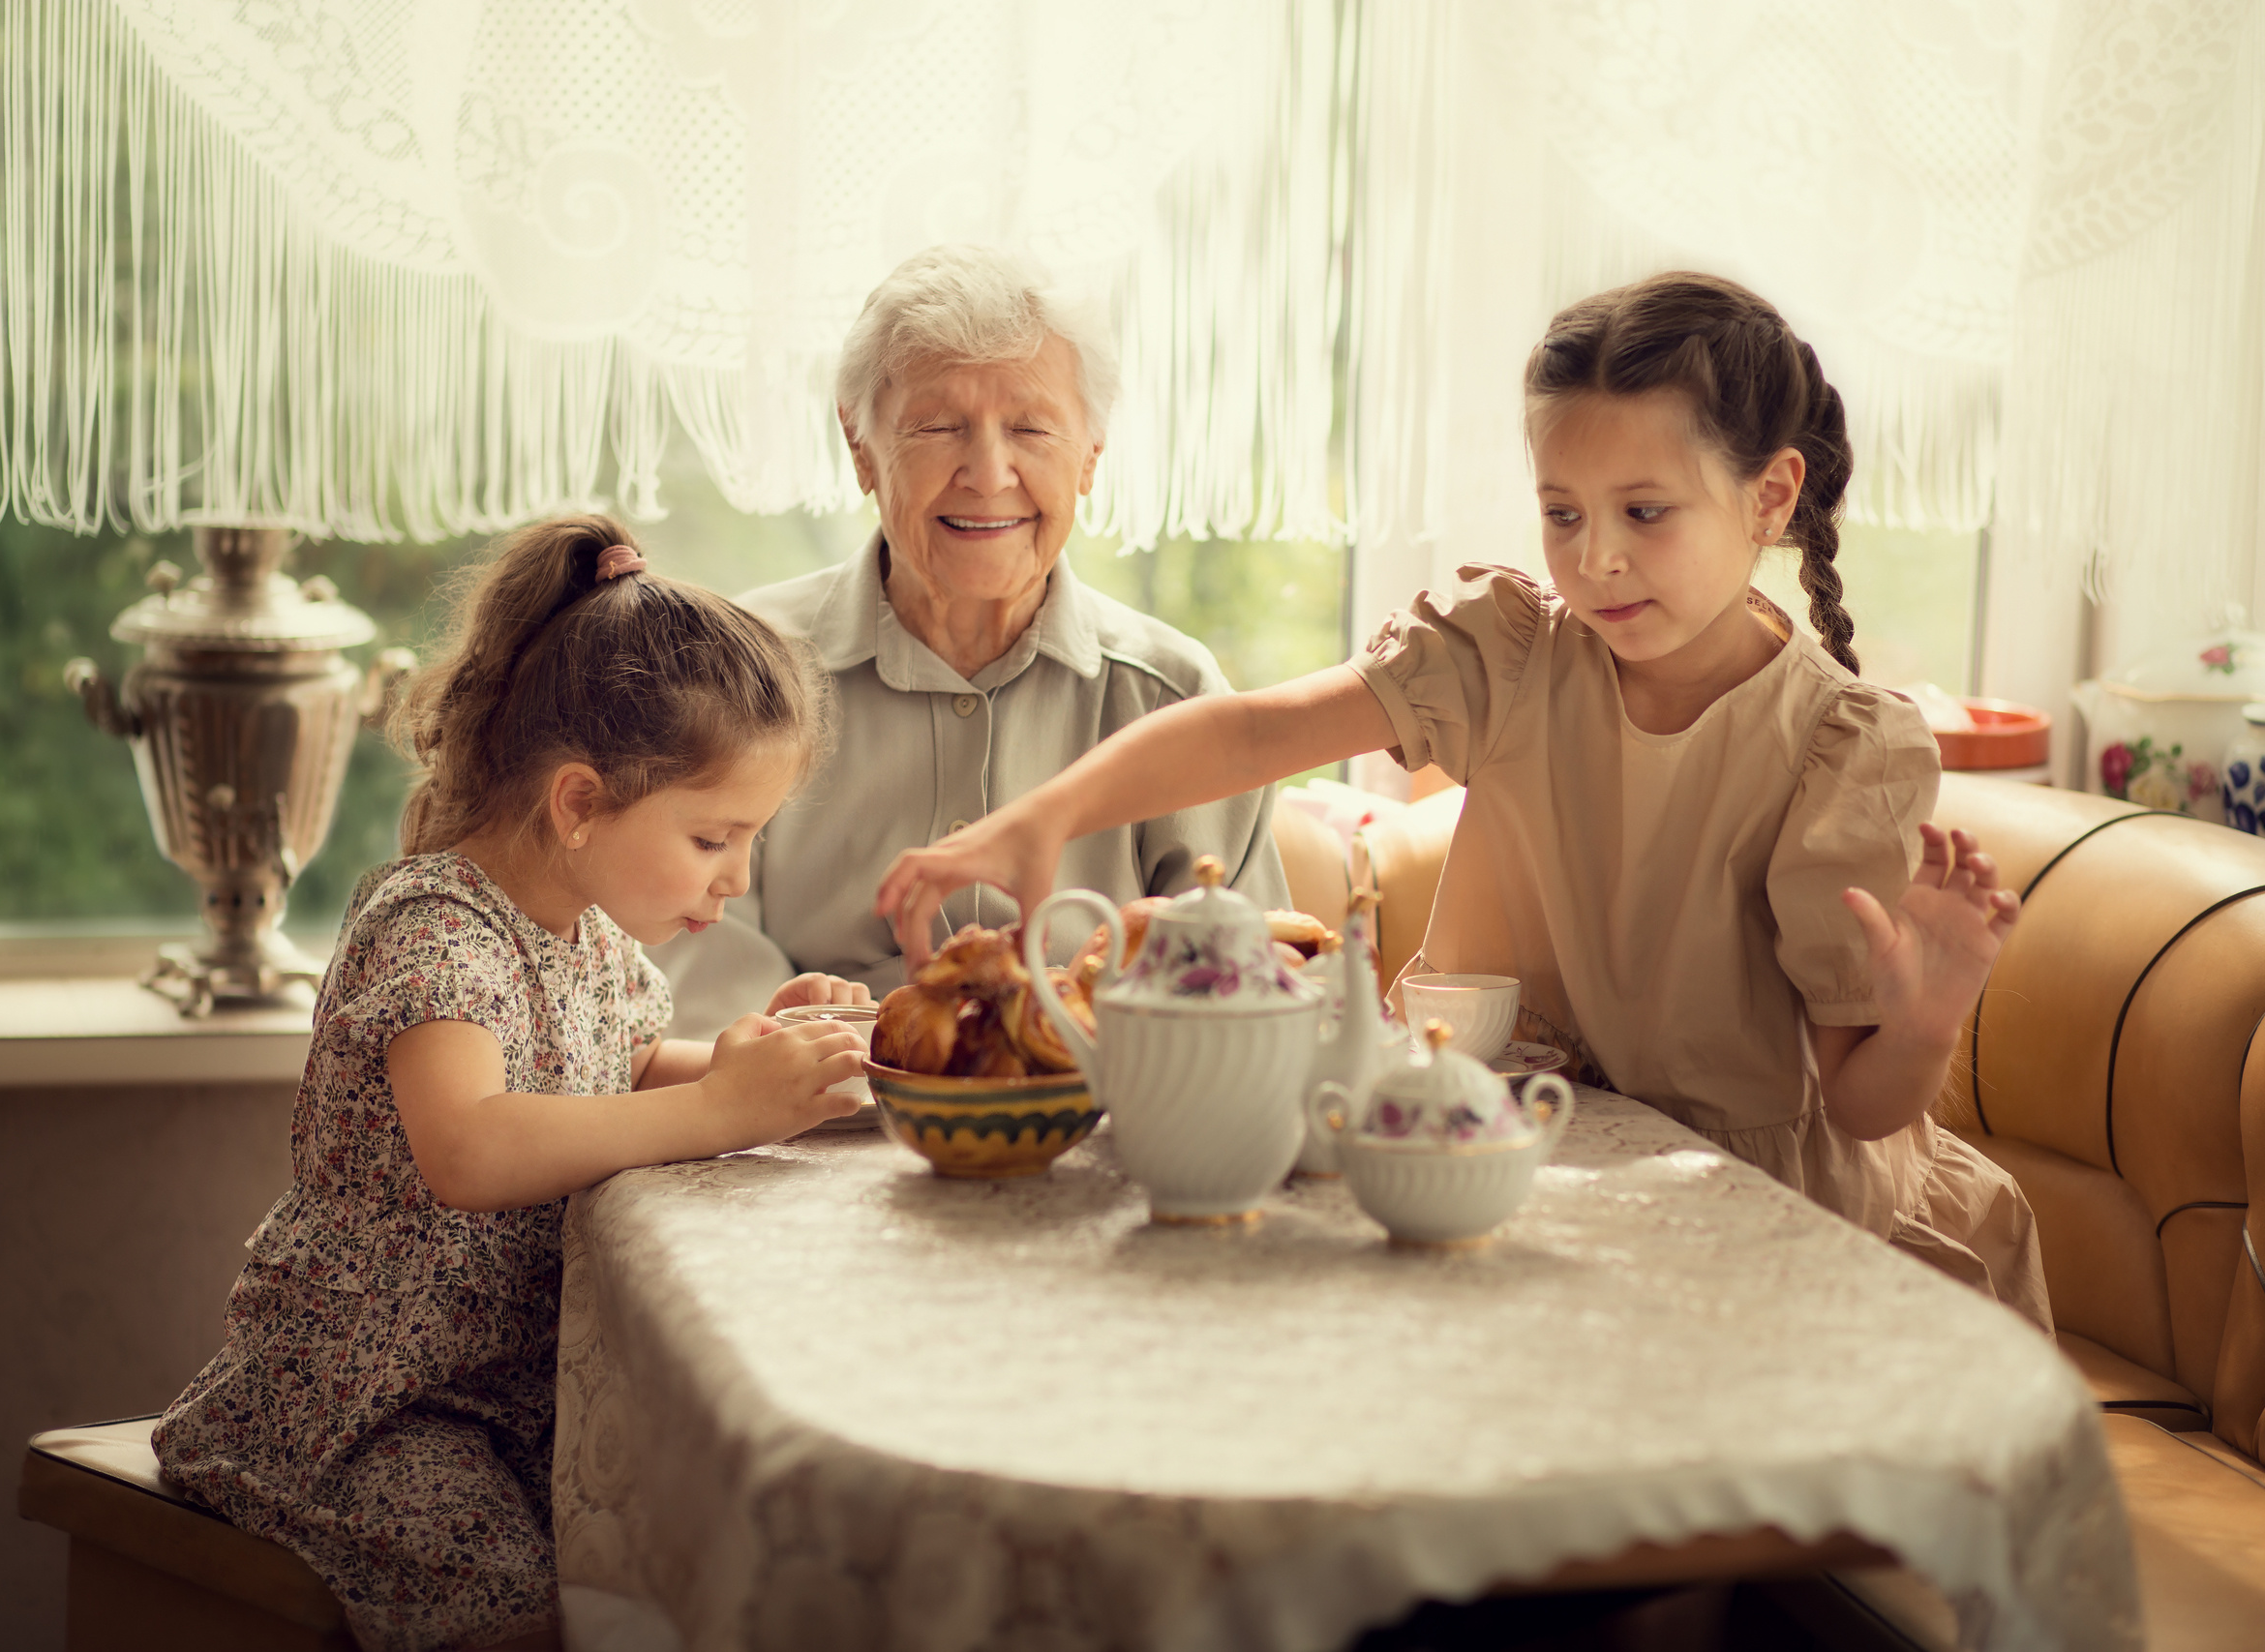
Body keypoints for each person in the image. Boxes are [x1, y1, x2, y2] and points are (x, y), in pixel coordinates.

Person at [876, 272, 2051, 1329]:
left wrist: (1927, 1016)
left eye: (1645, 512)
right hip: (1518, 1168)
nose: (1593, 561)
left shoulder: (1841, 745)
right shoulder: (1513, 653)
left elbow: (1857, 1107)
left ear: (1769, 495)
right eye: (1561, 512)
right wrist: (1044, 818)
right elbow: (1255, 730)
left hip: (1761, 1236)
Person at [153, 517, 872, 1652]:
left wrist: (755, 1064)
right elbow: (472, 1146)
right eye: (712, 839)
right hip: (367, 1405)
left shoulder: (583, 935)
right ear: (579, 803)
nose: (735, 880)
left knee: (692, 1532)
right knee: (519, 1611)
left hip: (500, 1393)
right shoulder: (436, 927)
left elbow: (621, 1070)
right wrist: (720, 1111)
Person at [649, 245, 1286, 1035]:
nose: (988, 473)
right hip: (799, 1116)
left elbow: (1249, 992)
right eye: (939, 426)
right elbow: (685, 955)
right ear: (860, 448)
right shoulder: (740, 671)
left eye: (1030, 427)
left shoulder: (1173, 696)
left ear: (1091, 454)